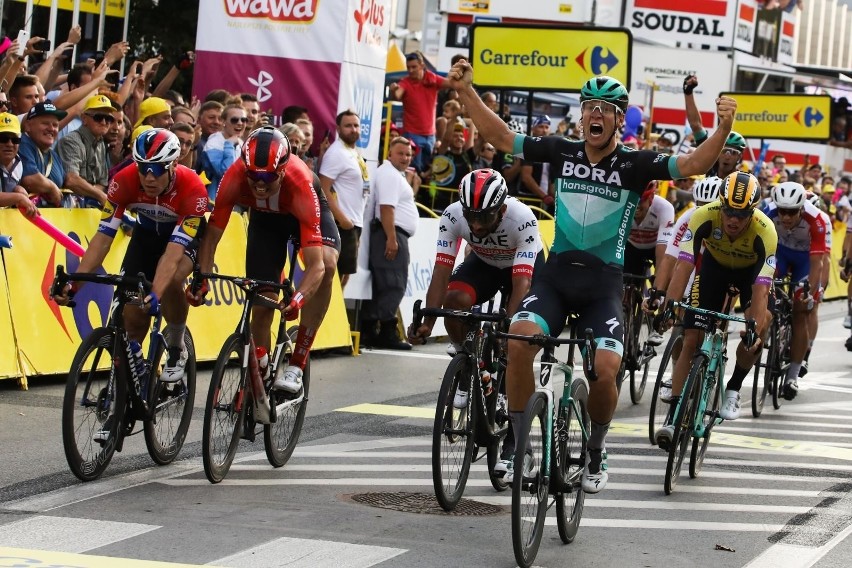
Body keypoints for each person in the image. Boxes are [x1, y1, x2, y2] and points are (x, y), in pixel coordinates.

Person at [446, 60, 738, 492]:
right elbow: (503, 137)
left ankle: (597, 448)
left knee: (605, 368)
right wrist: (468, 91)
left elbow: (694, 162)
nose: (596, 115)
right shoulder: (561, 151)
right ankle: (516, 440)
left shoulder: (636, 164)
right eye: (590, 107)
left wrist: (723, 127)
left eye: (606, 109)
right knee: (518, 340)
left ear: (619, 119)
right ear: (581, 116)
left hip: (603, 285)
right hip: (556, 278)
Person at [408, 167, 544, 476]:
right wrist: (428, 321)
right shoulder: (454, 216)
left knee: (515, 343)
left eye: (485, 217)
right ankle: (466, 358)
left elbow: (521, 285)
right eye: (472, 216)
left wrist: (510, 329)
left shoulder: (522, 219)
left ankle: (514, 437)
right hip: (483, 263)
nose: (477, 224)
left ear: (502, 208)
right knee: (455, 302)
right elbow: (442, 272)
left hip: (521, 269)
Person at [53, 129, 208, 381]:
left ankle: (177, 347)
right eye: (143, 167)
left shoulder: (192, 188)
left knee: (168, 282)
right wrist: (75, 283)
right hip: (145, 237)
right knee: (133, 318)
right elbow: (102, 239)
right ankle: (132, 380)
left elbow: (172, 253)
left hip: (181, 241)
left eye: (157, 169)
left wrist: (156, 292)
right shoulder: (123, 181)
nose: (148, 176)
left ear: (174, 165)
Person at [189, 127, 334, 394]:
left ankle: (298, 361)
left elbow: (316, 266)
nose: (259, 183)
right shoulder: (234, 177)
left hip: (301, 214)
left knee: (329, 262)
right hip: (265, 221)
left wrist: (299, 298)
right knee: (262, 299)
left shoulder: (299, 183)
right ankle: (262, 368)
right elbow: (211, 237)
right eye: (253, 176)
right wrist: (202, 278)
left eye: (267, 177)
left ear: (282, 169)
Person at [656, 172, 777, 448]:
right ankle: (674, 415)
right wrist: (670, 305)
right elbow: (684, 265)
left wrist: (753, 329)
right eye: (729, 211)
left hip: (750, 276)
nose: (734, 219)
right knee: (691, 338)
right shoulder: (703, 216)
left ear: (753, 211)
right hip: (713, 270)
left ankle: (733, 387)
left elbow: (761, 289)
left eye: (742, 214)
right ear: (720, 205)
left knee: (758, 330)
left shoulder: (766, 230)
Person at [761, 182, 827, 399]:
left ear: (801, 208)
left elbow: (817, 262)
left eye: (791, 212)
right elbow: (757, 248)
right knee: (763, 290)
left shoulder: (816, 219)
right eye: (782, 212)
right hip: (779, 253)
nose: (786, 217)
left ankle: (793, 375)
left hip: (804, 261)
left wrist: (810, 292)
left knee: (800, 312)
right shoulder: (767, 211)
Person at [361, 136, 420, 350]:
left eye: (408, 154)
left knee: (385, 283)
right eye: (400, 153)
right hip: (391, 234)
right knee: (392, 283)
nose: (405, 158)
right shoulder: (390, 175)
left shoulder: (393, 175)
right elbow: (387, 208)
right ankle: (385, 330)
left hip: (390, 233)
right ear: (389, 154)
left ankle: (373, 330)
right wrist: (392, 238)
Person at [319, 110, 368, 288]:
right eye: (348, 126)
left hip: (354, 221)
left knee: (345, 275)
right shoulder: (336, 153)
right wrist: (342, 219)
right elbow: (323, 188)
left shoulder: (352, 152)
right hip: (342, 222)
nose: (353, 129)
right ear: (338, 129)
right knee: (336, 276)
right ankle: (326, 314)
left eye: (356, 125)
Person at [388, 51, 451, 173]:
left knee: (426, 172)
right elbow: (397, 94)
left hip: (430, 136)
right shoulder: (405, 82)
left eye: (414, 67)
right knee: (413, 172)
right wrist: (393, 90)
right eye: (408, 67)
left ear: (422, 65)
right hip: (412, 135)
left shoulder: (432, 78)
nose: (410, 70)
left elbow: (452, 84)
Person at [56, 94, 118, 207]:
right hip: (67, 208)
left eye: (109, 118)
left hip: (88, 207)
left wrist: (93, 194)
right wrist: (99, 195)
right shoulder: (71, 140)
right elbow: (71, 180)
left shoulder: (101, 143)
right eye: (98, 117)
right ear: (84, 119)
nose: (104, 122)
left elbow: (102, 182)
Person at [683, 74, 747, 178]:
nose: (727, 156)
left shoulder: (741, 179)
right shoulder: (709, 161)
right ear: (717, 152)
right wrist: (688, 92)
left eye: (733, 152)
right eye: (724, 150)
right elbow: (696, 125)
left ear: (739, 157)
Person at [18, 102, 66, 207]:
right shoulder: (21, 143)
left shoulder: (54, 155)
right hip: (23, 218)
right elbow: (30, 180)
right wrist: (51, 187)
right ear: (28, 126)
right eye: (45, 123)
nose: (51, 128)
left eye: (55, 125)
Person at [0, 112, 37, 216]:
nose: (10, 144)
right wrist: (18, 197)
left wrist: (17, 189)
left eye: (15, 139)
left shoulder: (18, 162)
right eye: (3, 139)